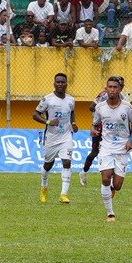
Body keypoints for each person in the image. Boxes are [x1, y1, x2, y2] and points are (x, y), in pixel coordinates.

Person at [92, 75, 132, 221]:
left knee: (117, 185)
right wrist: (93, 130)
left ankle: (113, 189)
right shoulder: (100, 108)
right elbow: (94, 124)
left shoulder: (127, 107)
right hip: (106, 147)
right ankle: (110, 213)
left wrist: (131, 139)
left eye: (115, 87)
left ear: (120, 90)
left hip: (122, 149)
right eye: (109, 87)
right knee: (106, 178)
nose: (112, 90)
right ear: (106, 89)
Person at [33, 72, 79, 202]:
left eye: (62, 82)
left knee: (67, 162)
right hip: (51, 137)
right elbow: (35, 115)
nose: (60, 84)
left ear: (66, 84)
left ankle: (64, 194)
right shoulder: (47, 99)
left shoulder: (71, 99)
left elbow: (72, 113)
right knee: (48, 164)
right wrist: (48, 122)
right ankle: (44, 187)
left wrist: (73, 123)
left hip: (66, 136)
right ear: (54, 84)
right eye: (58, 82)